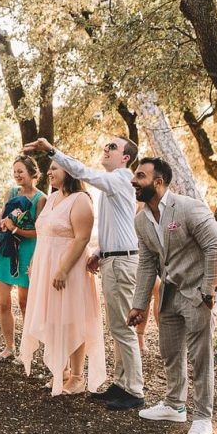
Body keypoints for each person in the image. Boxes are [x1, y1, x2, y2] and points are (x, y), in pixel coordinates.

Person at [24, 136, 144, 410]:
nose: (106, 148)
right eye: (106, 144)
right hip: (111, 259)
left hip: (123, 263)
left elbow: (83, 173)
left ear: (125, 157)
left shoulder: (119, 178)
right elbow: (117, 227)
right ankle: (120, 384)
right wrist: (100, 253)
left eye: (113, 147)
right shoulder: (112, 186)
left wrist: (52, 150)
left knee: (124, 329)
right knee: (117, 327)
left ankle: (134, 389)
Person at [128, 157, 217, 434]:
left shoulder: (188, 208)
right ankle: (174, 406)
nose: (134, 181)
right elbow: (147, 264)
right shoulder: (141, 219)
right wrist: (139, 304)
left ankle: (203, 417)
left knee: (200, 356)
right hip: (169, 294)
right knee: (170, 351)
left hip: (198, 294)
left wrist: (209, 290)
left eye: (140, 176)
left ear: (158, 182)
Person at [20, 161, 106, 396]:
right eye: (49, 168)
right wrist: (35, 264)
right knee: (54, 318)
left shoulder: (81, 200)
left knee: (71, 318)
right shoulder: (52, 199)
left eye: (55, 168)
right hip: (46, 268)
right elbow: (44, 235)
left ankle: (78, 376)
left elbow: (82, 238)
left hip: (69, 268)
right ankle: (63, 371)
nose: (49, 172)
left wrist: (63, 269)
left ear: (70, 171)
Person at [0, 155, 46, 363]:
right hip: (6, 250)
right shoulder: (11, 193)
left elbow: (41, 231)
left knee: (24, 303)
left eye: (21, 171)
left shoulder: (41, 199)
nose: (17, 175)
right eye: (15, 171)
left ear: (32, 173)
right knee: (3, 303)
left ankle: (27, 350)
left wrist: (17, 229)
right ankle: (8, 347)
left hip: (28, 251)